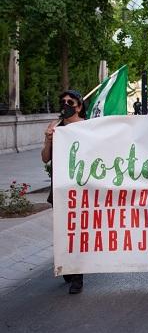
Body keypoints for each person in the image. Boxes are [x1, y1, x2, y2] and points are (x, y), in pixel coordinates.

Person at [42, 90, 86, 294]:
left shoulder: (89, 127)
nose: (65, 104)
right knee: (65, 231)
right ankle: (69, 265)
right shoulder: (56, 128)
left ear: (79, 106)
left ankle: (78, 275)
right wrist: (49, 139)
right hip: (60, 189)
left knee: (79, 231)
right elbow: (45, 158)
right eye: (63, 101)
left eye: (70, 102)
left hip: (83, 189)